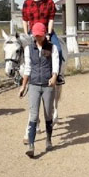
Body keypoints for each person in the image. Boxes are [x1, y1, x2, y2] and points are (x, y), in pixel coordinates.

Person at [18, 22, 59, 158]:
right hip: (34, 85)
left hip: (48, 85)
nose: (38, 38)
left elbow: (55, 64)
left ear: (44, 35)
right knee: (34, 115)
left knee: (48, 114)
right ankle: (31, 145)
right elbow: (28, 68)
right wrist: (23, 86)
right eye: (36, 36)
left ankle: (48, 140)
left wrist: (54, 77)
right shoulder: (29, 49)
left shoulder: (52, 48)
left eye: (40, 36)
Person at [22, 0, 64, 84]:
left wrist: (49, 33)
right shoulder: (27, 3)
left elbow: (51, 19)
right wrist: (27, 34)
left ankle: (57, 75)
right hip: (33, 32)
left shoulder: (49, 3)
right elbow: (25, 20)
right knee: (20, 51)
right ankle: (19, 74)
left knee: (58, 50)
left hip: (47, 32)